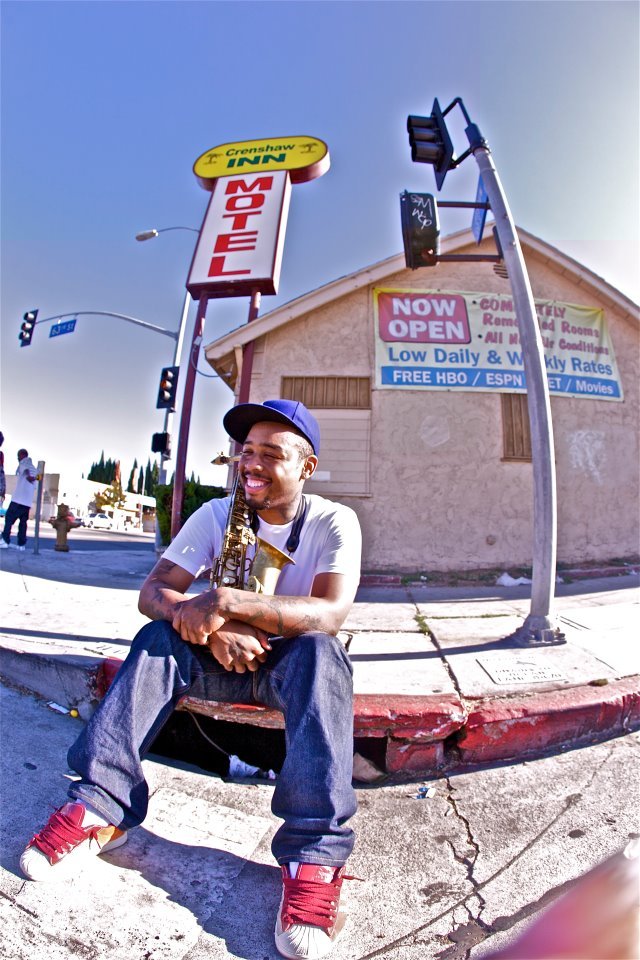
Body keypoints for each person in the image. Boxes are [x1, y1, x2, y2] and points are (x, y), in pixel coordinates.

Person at [20, 399, 363, 960]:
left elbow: (329, 613)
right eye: (245, 451)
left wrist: (224, 602)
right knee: (157, 638)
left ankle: (314, 858)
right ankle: (99, 810)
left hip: (289, 665)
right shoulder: (216, 514)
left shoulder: (333, 521)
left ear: (307, 467)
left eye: (270, 454)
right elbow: (153, 592)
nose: (250, 464)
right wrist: (213, 626)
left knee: (324, 655)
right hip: (213, 658)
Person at [1, 448, 37, 551]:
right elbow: (38, 479)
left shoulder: (23, 463)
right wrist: (34, 478)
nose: (17, 458)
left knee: (9, 519)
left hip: (18, 500)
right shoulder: (35, 469)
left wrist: (29, 477)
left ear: (22, 455)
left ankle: (5, 540)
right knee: (23, 523)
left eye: (18, 456)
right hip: (27, 502)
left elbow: (25, 470)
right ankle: (21, 544)